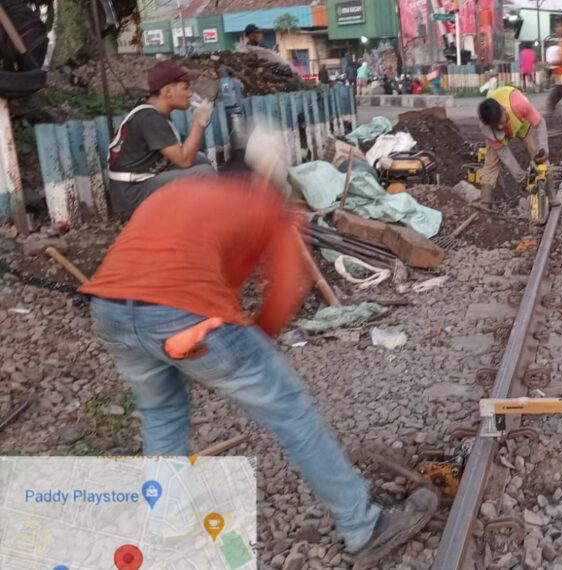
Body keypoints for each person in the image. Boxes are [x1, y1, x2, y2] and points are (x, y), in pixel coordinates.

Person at [81, 145, 439, 567]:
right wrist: (253, 354)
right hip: (183, 310)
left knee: (161, 414)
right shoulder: (263, 205)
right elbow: (285, 293)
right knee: (289, 409)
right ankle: (363, 526)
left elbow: (206, 273)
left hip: (109, 309)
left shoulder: (172, 193)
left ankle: (166, 526)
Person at [106, 60, 216, 219]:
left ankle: (191, 217)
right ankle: (202, 224)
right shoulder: (150, 118)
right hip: (132, 195)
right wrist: (198, 122)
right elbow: (183, 160)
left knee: (201, 160)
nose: (190, 94)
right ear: (168, 91)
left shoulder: (152, 112)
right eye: (186, 88)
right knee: (205, 174)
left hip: (137, 183)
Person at [476, 86, 551, 211]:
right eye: (497, 126)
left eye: (502, 122)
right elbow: (505, 154)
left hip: (521, 123)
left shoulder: (519, 105)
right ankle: (485, 202)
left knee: (538, 152)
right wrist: (520, 177)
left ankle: (548, 188)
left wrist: (544, 148)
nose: (501, 127)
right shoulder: (487, 128)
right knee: (491, 163)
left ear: (503, 109)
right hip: (497, 132)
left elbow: (540, 123)